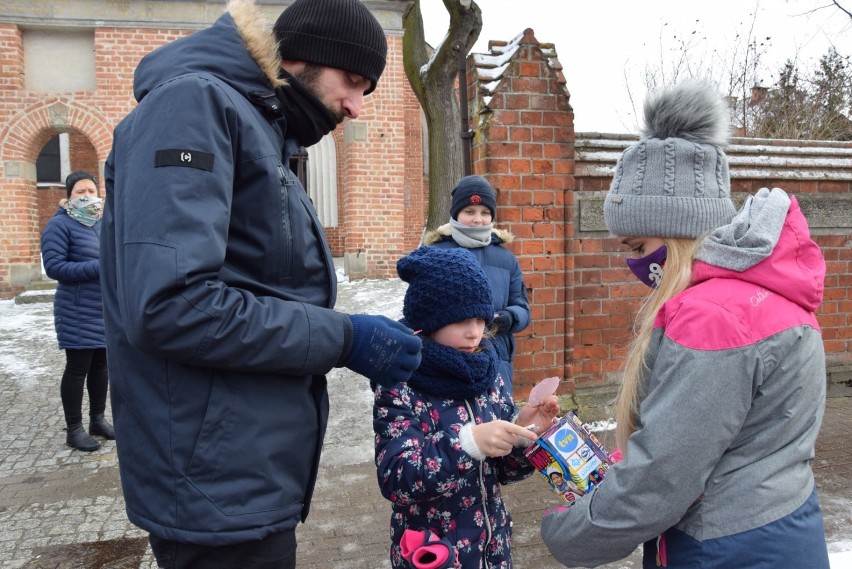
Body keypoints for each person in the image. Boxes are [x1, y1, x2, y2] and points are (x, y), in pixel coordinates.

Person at [99, 0, 422, 566]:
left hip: (242, 473)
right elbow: (171, 305)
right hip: (211, 486)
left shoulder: (260, 127)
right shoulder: (193, 105)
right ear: (301, 57)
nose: (354, 104)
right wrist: (344, 338)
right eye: (351, 81)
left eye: (366, 91)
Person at [541, 80, 830, 568]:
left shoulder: (710, 314)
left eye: (636, 248)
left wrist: (570, 533)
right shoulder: (770, 291)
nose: (633, 266)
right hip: (782, 527)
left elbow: (663, 478)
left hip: (724, 548)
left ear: (678, 232)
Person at [373, 246, 560, 568]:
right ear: (429, 321)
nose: (474, 332)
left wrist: (524, 431)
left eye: (480, 319)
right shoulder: (400, 384)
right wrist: (468, 443)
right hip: (434, 551)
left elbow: (503, 472)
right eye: (460, 321)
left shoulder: (486, 371)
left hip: (492, 546)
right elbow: (397, 480)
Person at [424, 175, 531, 394]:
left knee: (499, 422)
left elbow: (522, 308)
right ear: (456, 214)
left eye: (485, 212)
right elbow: (421, 311)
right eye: (469, 212)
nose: (478, 220)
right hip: (449, 359)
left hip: (497, 359)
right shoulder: (434, 254)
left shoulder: (506, 259)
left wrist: (509, 318)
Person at [40, 170, 114, 453]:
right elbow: (55, 267)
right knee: (77, 368)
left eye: (91, 191)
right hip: (76, 308)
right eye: (80, 192)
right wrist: (99, 267)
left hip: (102, 308)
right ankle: (74, 429)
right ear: (69, 196)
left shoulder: (100, 222)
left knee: (101, 366)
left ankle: (98, 419)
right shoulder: (60, 224)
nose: (87, 196)